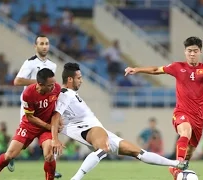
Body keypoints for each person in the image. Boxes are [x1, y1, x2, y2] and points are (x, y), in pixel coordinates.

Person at [50, 63, 189, 180]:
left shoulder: (69, 93)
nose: (81, 80)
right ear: (69, 79)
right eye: (79, 78)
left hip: (99, 130)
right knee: (103, 149)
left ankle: (176, 163)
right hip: (88, 129)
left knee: (138, 153)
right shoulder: (65, 94)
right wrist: (55, 139)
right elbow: (56, 116)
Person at [124, 36, 203, 179]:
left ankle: (176, 170)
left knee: (189, 153)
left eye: (195, 51)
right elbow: (157, 69)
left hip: (199, 118)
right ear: (185, 52)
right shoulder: (177, 67)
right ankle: (178, 163)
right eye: (189, 51)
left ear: (200, 52)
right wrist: (137, 69)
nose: (192, 54)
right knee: (185, 132)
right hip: (182, 113)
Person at [0, 68, 61, 180]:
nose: (53, 87)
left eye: (54, 83)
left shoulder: (56, 88)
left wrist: (58, 121)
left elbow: (59, 108)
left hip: (46, 128)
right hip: (29, 126)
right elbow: (30, 117)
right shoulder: (28, 93)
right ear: (40, 84)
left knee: (49, 155)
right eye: (50, 85)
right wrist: (48, 126)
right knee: (9, 155)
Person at [12, 34, 62, 178]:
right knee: (24, 139)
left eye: (46, 43)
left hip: (45, 105)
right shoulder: (30, 63)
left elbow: (52, 86)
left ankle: (53, 168)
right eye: (41, 43)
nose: (44, 46)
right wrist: (38, 82)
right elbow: (17, 81)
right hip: (30, 106)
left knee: (52, 134)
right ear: (35, 46)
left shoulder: (53, 65)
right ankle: (10, 156)